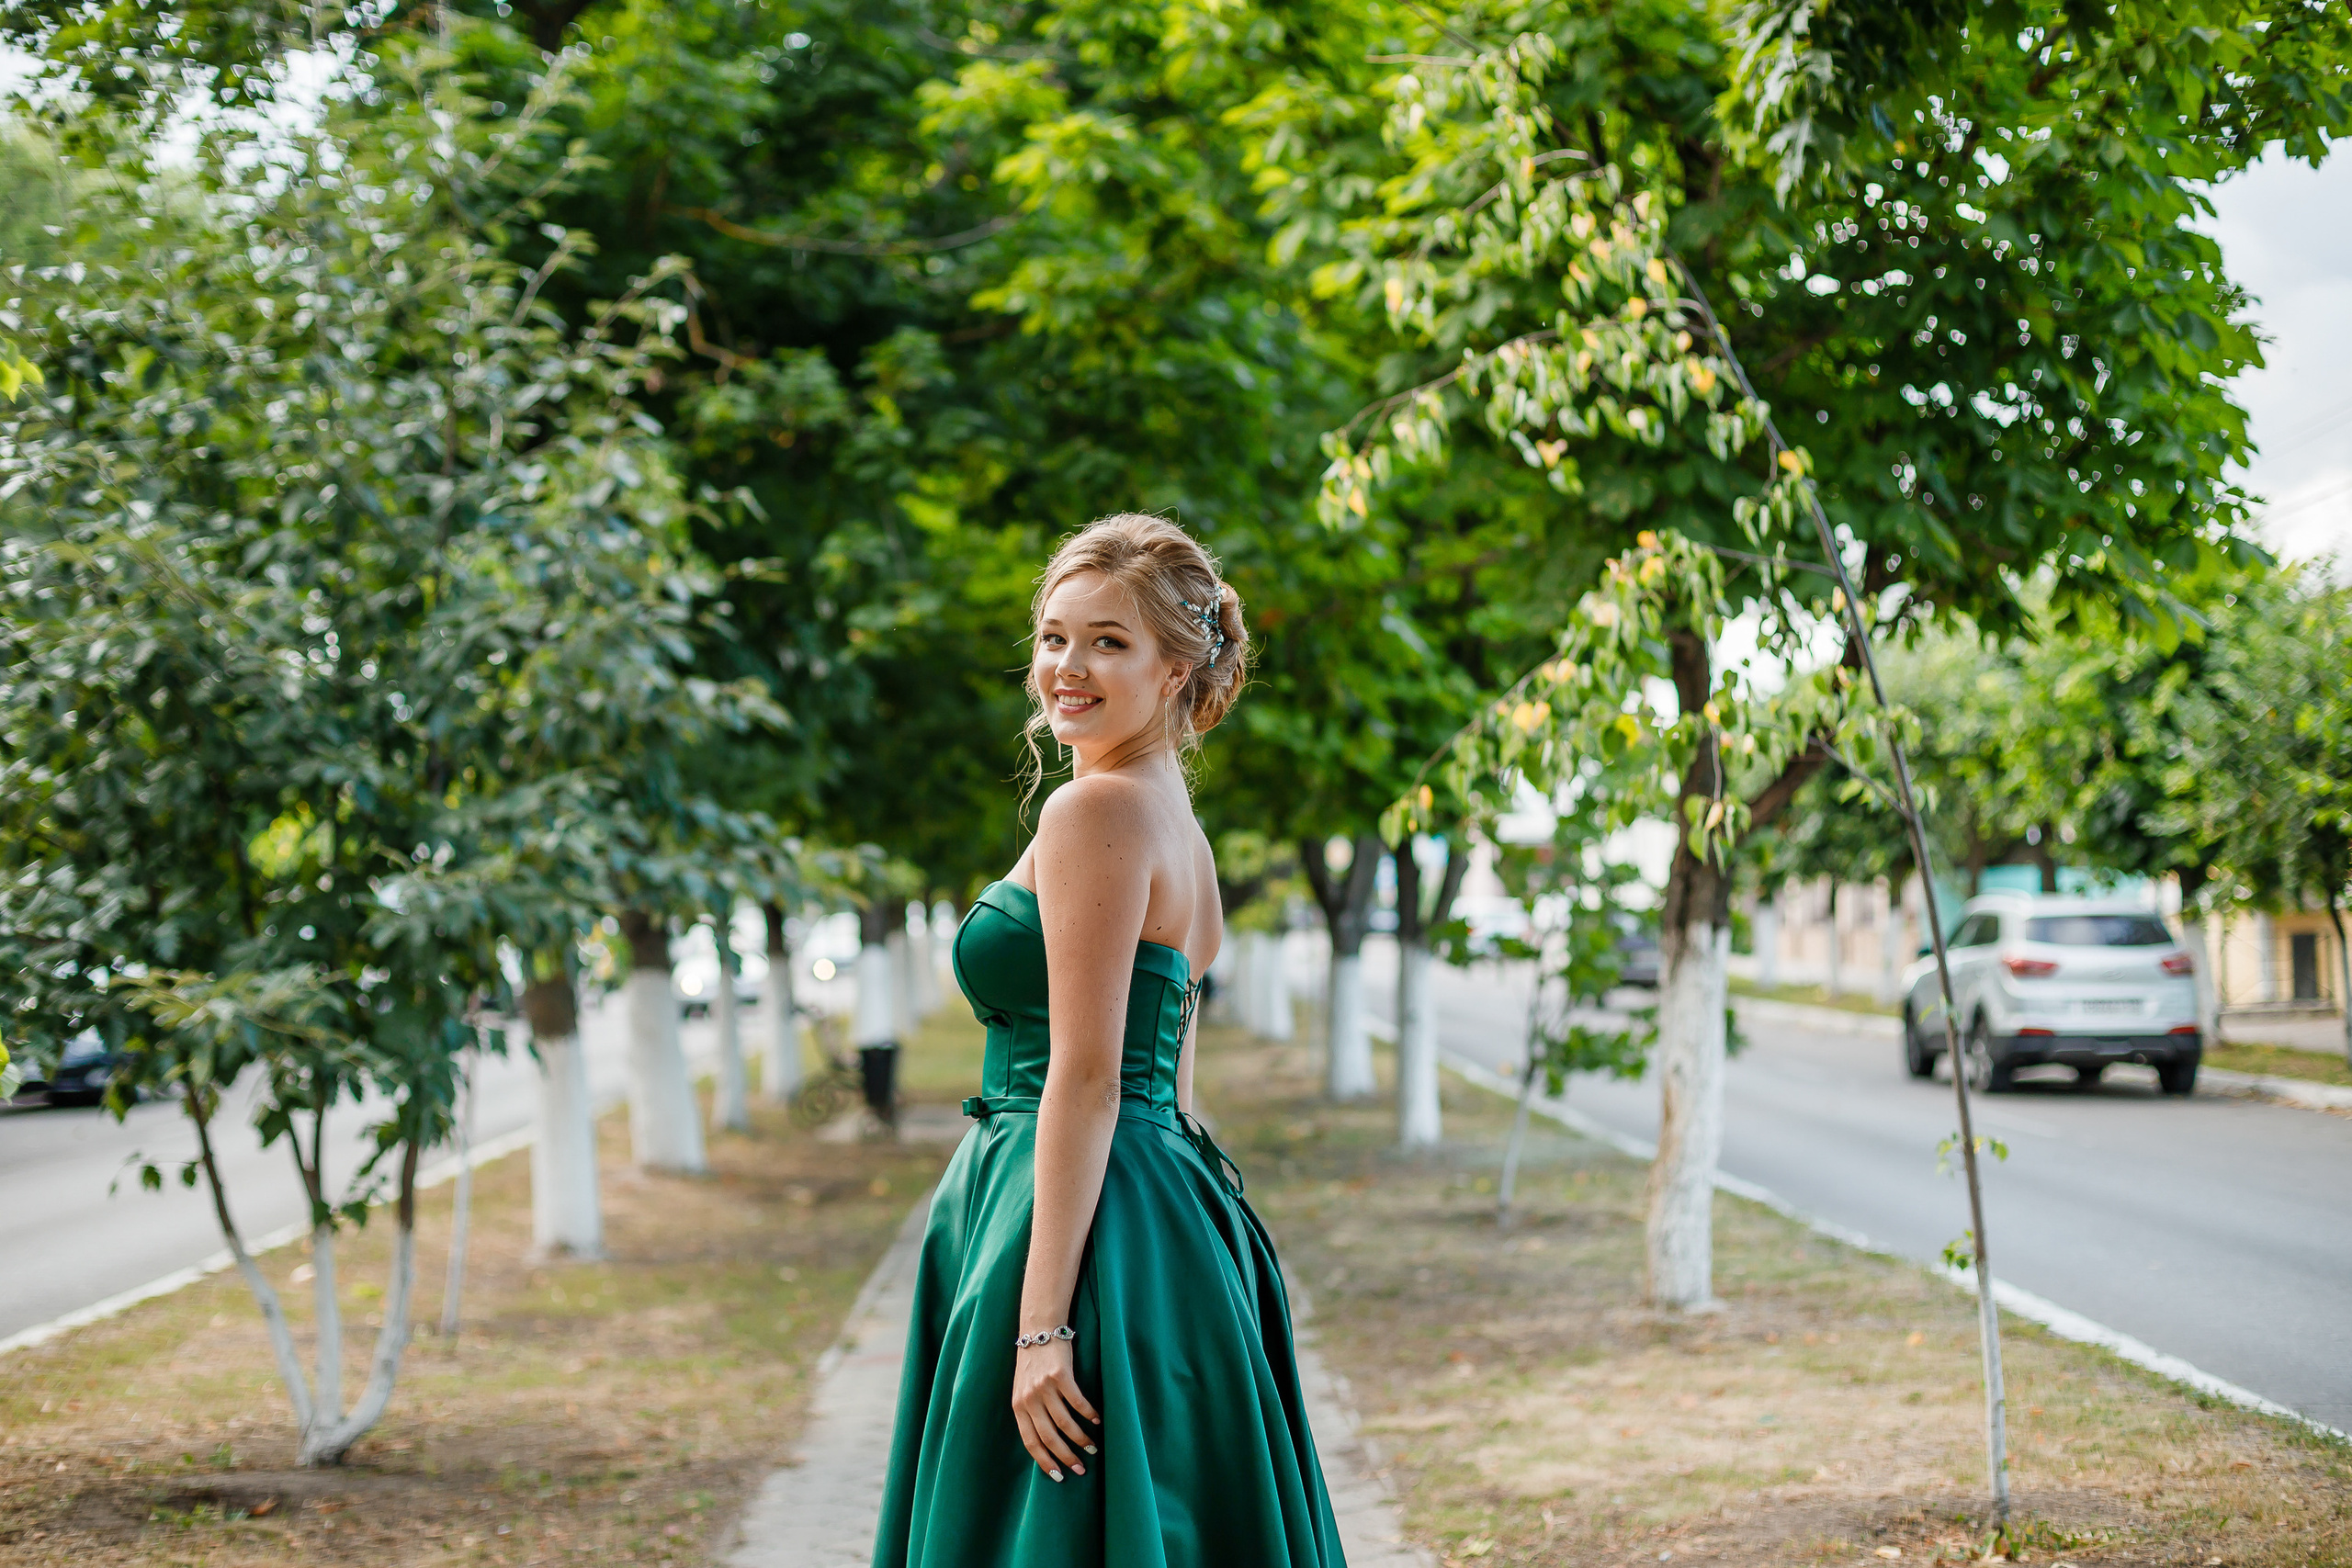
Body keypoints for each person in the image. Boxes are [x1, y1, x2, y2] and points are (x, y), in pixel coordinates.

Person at [873, 515, 1345, 1566]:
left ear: (1178, 669)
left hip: (1068, 1218)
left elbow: (1087, 1079)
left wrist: (1042, 1327)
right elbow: (1168, 1081)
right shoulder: (1178, 822)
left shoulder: (1095, 813)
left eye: (1107, 642)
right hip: (1159, 1216)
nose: (1065, 669)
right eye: (1052, 637)